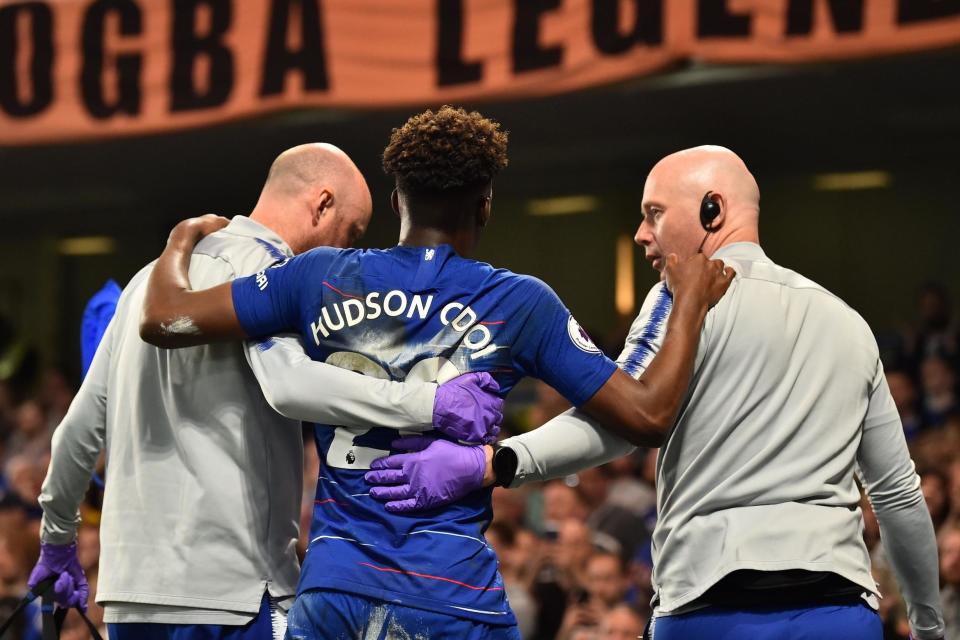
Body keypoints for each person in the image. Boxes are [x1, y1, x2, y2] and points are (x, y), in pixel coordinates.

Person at [138, 106, 734, 638]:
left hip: (334, 590)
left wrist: (177, 242)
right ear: (485, 206)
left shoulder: (315, 276)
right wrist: (687, 302)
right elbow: (649, 414)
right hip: (452, 595)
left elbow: (164, 319)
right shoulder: (517, 302)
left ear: (395, 201)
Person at [367, 145, 946, 640]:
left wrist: (494, 461)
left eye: (654, 213)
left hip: (712, 608)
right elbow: (898, 498)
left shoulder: (681, 301)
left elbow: (620, 420)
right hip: (839, 614)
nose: (642, 233)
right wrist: (928, 625)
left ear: (711, 209)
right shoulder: (848, 323)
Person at [28, 143, 505, 640]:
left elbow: (78, 431)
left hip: (132, 600)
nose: (345, 253)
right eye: (351, 233)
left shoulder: (144, 285)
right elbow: (291, 384)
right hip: (235, 594)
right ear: (321, 204)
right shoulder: (274, 278)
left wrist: (57, 543)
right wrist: (428, 403)